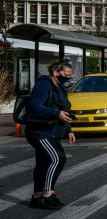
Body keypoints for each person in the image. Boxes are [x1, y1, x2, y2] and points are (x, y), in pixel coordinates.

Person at [25, 61, 77, 209]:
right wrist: (55, 113)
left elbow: (63, 110)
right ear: (55, 72)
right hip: (40, 131)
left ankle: (37, 197)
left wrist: (69, 130)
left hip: (52, 131)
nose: (68, 78)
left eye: (70, 75)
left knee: (43, 164)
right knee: (58, 158)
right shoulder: (44, 85)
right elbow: (33, 105)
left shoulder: (60, 88)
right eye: (66, 74)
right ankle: (47, 195)